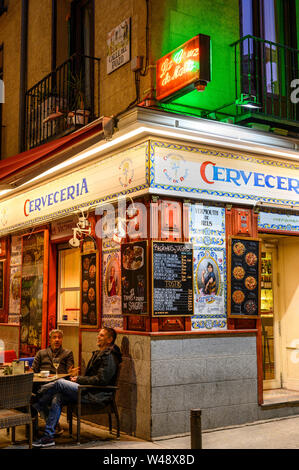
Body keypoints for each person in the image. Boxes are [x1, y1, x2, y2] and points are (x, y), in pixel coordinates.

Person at [32, 327, 122, 448]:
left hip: (97, 394)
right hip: (87, 389)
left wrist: (79, 379)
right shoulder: (100, 353)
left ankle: (37, 403)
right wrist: (78, 378)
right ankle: (48, 436)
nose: (98, 337)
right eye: (98, 334)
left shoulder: (109, 356)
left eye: (101, 335)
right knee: (57, 397)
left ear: (109, 340)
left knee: (60, 383)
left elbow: (102, 380)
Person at [31, 329, 74, 437]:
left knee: (40, 398)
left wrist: (71, 373)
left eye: (59, 337)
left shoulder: (67, 353)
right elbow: (34, 370)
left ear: (62, 340)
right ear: (50, 340)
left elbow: (70, 371)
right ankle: (54, 425)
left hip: (59, 386)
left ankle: (51, 424)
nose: (57, 340)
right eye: (54, 337)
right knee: (36, 394)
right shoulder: (41, 353)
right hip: (41, 384)